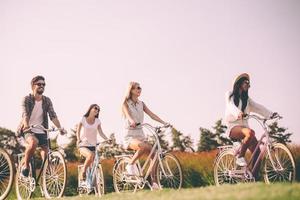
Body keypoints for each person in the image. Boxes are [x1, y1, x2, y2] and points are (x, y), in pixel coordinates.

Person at [224, 73, 276, 175]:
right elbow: (230, 106)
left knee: (257, 153)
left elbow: (257, 107)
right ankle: (240, 157)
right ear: (239, 84)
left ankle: (253, 179)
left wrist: (270, 114)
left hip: (244, 128)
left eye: (249, 83)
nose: (248, 85)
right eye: (246, 82)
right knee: (250, 132)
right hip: (233, 127)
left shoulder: (246, 100)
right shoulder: (230, 95)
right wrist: (238, 113)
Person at [122, 81, 168, 189]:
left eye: (140, 88)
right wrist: (132, 121)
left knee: (155, 155)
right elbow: (128, 115)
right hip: (130, 136)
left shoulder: (141, 104)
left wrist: (163, 122)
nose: (139, 89)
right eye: (137, 88)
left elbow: (152, 114)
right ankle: (130, 165)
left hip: (140, 135)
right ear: (131, 90)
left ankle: (154, 183)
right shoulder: (125, 103)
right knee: (143, 146)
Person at [18, 75, 64, 177]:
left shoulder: (47, 101)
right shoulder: (27, 99)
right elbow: (25, 114)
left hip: (41, 130)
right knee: (33, 143)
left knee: (46, 152)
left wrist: (60, 128)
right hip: (28, 129)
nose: (42, 86)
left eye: (43, 84)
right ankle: (25, 166)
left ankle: (46, 174)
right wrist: (26, 125)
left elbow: (53, 116)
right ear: (33, 86)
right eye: (39, 84)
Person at [76, 104, 109, 180]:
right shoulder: (83, 119)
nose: (97, 110)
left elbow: (101, 132)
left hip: (93, 145)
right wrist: (78, 139)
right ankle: (83, 171)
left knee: (93, 166)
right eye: (95, 108)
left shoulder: (97, 121)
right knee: (90, 156)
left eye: (98, 110)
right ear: (90, 108)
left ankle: (92, 186)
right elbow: (78, 130)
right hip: (83, 144)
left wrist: (107, 139)